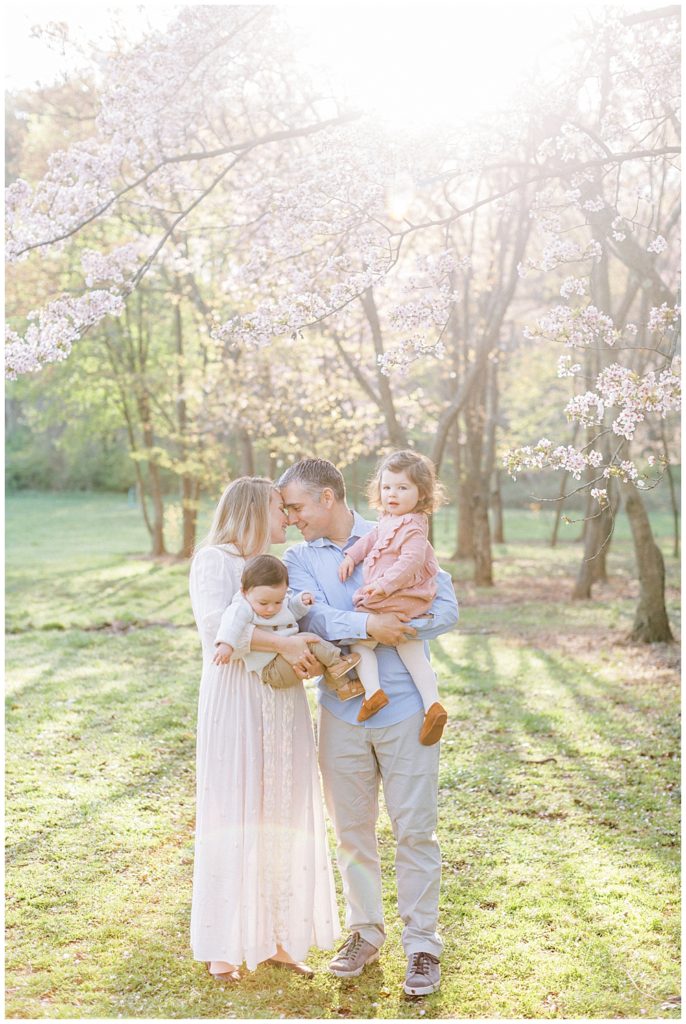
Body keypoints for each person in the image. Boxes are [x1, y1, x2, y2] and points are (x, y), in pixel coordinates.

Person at [280, 458, 459, 997]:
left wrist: (396, 628)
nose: (291, 518)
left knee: (415, 829)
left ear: (328, 499)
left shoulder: (398, 528)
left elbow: (446, 608)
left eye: (297, 506)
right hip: (342, 712)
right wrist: (368, 624)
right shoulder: (298, 558)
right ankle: (365, 932)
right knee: (353, 833)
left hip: (407, 713)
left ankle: (422, 944)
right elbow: (311, 621)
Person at [188, 477, 340, 982]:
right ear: (255, 511)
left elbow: (298, 620)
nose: (288, 518)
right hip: (236, 698)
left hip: (281, 700)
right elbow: (216, 629)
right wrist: (286, 647)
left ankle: (277, 934)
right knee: (238, 803)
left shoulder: (282, 566)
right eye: (280, 509)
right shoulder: (215, 561)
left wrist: (307, 652)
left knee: (283, 803)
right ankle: (225, 944)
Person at [338, 450, 449, 744]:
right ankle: (433, 705)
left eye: (403, 488)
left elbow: (410, 562)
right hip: (401, 600)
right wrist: (351, 556)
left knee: (359, 643)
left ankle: (373, 693)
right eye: (387, 487)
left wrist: (384, 586)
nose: (392, 494)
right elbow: (370, 540)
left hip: (396, 595)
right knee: (412, 652)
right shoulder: (387, 519)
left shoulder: (414, 525)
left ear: (421, 493)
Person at [213, 553, 362, 696]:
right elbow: (231, 623)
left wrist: (300, 603)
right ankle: (336, 662)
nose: (271, 609)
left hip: (285, 659)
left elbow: (288, 615)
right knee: (310, 640)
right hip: (272, 669)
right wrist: (226, 644)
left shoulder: (275, 601)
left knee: (310, 639)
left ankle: (343, 686)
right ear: (244, 592)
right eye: (263, 603)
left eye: (278, 602)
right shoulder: (242, 606)